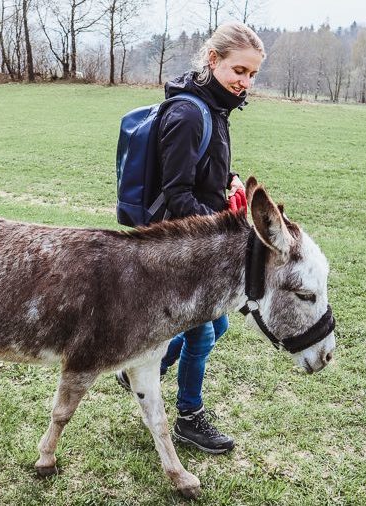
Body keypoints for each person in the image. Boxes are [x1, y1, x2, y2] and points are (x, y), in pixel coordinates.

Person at [118, 22, 266, 454]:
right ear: (213, 60)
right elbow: (178, 195)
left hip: (195, 241)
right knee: (205, 331)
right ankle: (189, 417)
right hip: (179, 245)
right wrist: (225, 227)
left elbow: (202, 177)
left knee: (214, 325)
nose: (245, 82)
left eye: (253, 74)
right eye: (240, 70)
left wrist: (229, 183)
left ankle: (145, 368)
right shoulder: (187, 115)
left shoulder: (215, 108)